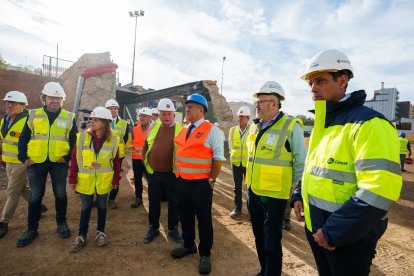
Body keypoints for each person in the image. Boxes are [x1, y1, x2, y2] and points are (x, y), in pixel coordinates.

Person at [291, 49, 403, 276]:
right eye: (311, 82)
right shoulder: (323, 126)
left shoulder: (370, 125)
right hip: (318, 230)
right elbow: (315, 169)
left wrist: (335, 231)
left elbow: (378, 189)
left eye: (320, 81)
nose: (313, 88)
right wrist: (298, 195)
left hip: (348, 238)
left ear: (342, 81)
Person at [246, 81, 306, 276]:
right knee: (259, 238)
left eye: (261, 101)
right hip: (253, 192)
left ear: (274, 103)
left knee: (272, 242)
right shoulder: (255, 127)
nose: (257, 105)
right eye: (257, 101)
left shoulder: (290, 126)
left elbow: (300, 162)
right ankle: (264, 270)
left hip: (275, 196)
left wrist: (291, 186)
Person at [16, 82, 77, 247]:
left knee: (61, 194)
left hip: (59, 162)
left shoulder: (69, 116)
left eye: (58, 98)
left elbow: (74, 141)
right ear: (44, 98)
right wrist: (23, 157)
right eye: (51, 97)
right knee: (35, 196)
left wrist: (67, 157)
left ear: (62, 100)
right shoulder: (33, 115)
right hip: (36, 162)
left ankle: (61, 223)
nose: (54, 101)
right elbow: (23, 138)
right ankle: (31, 228)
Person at [170, 93, 225, 275]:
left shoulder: (212, 130)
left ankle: (205, 254)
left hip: (202, 184)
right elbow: (180, 153)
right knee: (185, 216)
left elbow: (218, 158)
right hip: (182, 182)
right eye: (187, 106)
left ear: (202, 110)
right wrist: (178, 175)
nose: (187, 109)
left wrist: (212, 180)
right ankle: (188, 245)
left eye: (191, 106)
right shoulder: (185, 129)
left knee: (203, 220)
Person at [68, 107, 120, 253]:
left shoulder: (114, 140)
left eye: (96, 120)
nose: (92, 122)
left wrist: (116, 178)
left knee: (102, 207)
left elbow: (116, 162)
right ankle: (81, 236)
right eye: (91, 119)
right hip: (85, 180)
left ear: (104, 123)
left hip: (104, 180)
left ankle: (100, 232)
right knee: (85, 208)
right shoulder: (82, 137)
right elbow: (74, 159)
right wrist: (72, 178)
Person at [0, 91, 47, 238]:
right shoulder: (4, 121)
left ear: (23, 106)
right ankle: (39, 207)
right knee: (22, 188)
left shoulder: (28, 120)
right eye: (8, 102)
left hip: (21, 162)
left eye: (13, 103)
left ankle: (3, 222)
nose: (9, 105)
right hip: (8, 162)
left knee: (12, 191)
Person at [142, 98, 183, 244]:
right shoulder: (153, 127)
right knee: (153, 201)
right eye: (163, 114)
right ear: (159, 114)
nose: (166, 117)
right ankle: (153, 228)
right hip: (154, 173)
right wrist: (147, 167)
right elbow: (146, 146)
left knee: (174, 202)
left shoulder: (181, 129)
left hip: (172, 174)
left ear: (173, 114)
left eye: (169, 114)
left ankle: (173, 228)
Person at [105, 99, 131, 209]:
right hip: (104, 154)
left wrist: (123, 152)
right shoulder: (103, 121)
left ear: (118, 110)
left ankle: (112, 199)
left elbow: (125, 139)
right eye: (110, 108)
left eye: (115, 108)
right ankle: (100, 197)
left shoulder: (124, 123)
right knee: (103, 175)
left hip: (118, 155)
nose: (113, 110)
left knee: (115, 176)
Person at [228, 106, 251, 219]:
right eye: (239, 116)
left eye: (243, 117)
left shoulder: (253, 130)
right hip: (236, 163)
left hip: (248, 164)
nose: (240, 118)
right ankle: (238, 209)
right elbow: (230, 145)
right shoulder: (232, 130)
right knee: (237, 187)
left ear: (248, 118)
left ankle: (251, 211)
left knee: (250, 188)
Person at [130, 107, 151, 208]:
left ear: (150, 117)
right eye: (141, 116)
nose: (142, 118)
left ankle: (152, 198)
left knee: (150, 179)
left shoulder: (153, 129)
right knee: (137, 179)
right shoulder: (134, 129)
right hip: (136, 159)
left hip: (148, 160)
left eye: (144, 116)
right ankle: (138, 197)